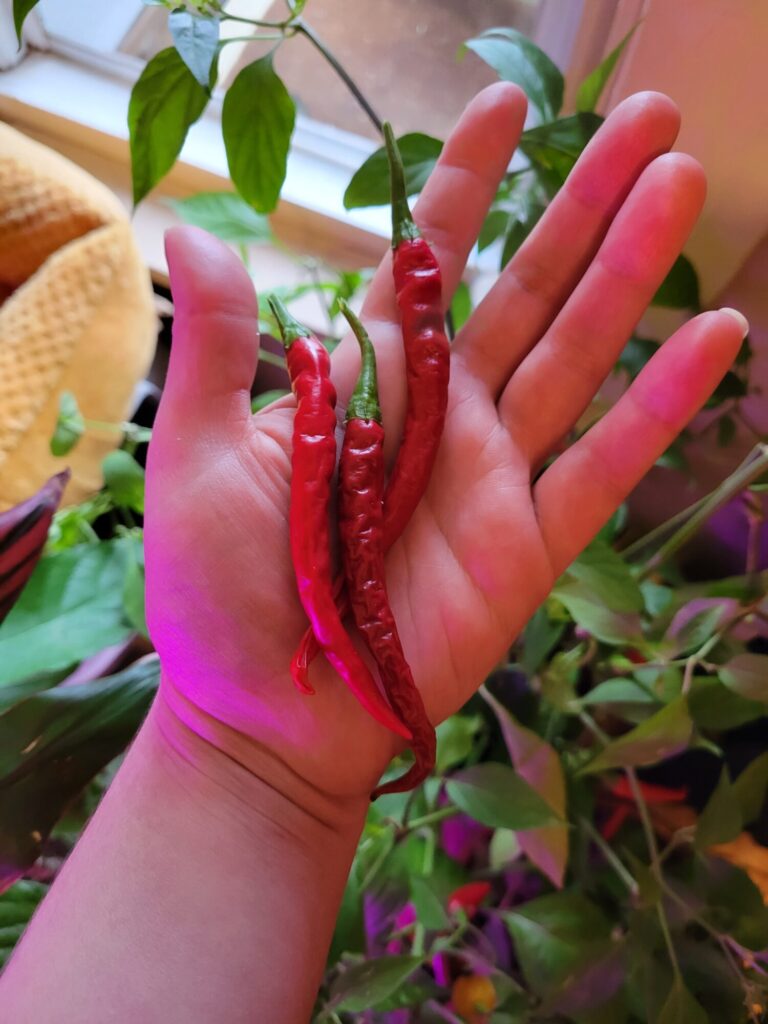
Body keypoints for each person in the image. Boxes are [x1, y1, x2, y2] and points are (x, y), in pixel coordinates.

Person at [0, 83, 748, 1023]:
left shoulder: (343, 405)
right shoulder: (330, 406)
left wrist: (245, 763)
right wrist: (244, 755)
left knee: (359, 535)